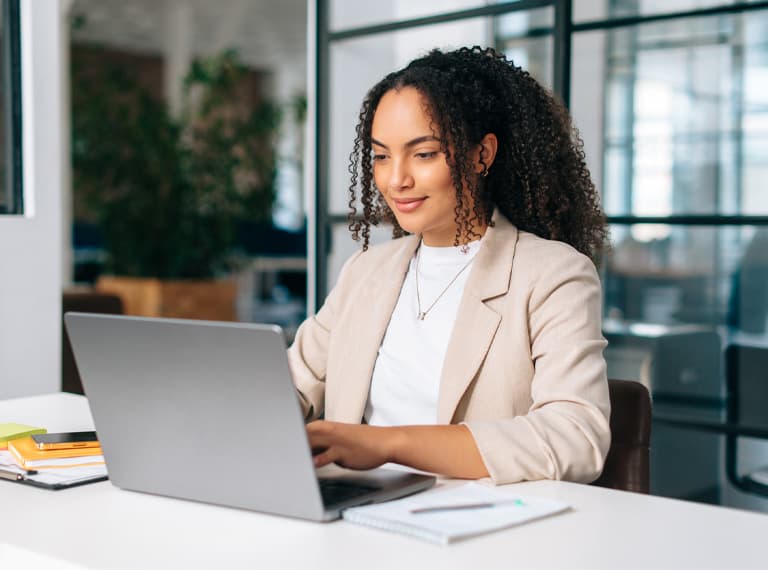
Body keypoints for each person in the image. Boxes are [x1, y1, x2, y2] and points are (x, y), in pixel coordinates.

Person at [288, 46, 611, 484]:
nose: (396, 179)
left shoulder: (553, 275)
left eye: (423, 154)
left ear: (482, 155)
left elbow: (576, 438)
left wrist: (386, 444)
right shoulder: (366, 272)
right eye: (381, 156)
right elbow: (287, 386)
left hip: (474, 527)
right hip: (355, 515)